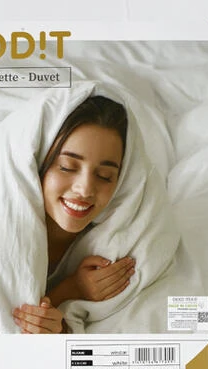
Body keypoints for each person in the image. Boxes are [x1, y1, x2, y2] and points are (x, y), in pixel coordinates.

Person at [13, 95, 136, 334]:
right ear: (40, 163)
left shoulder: (112, 237)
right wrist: (71, 289)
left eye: (104, 176)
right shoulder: (5, 227)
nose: (85, 189)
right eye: (67, 167)